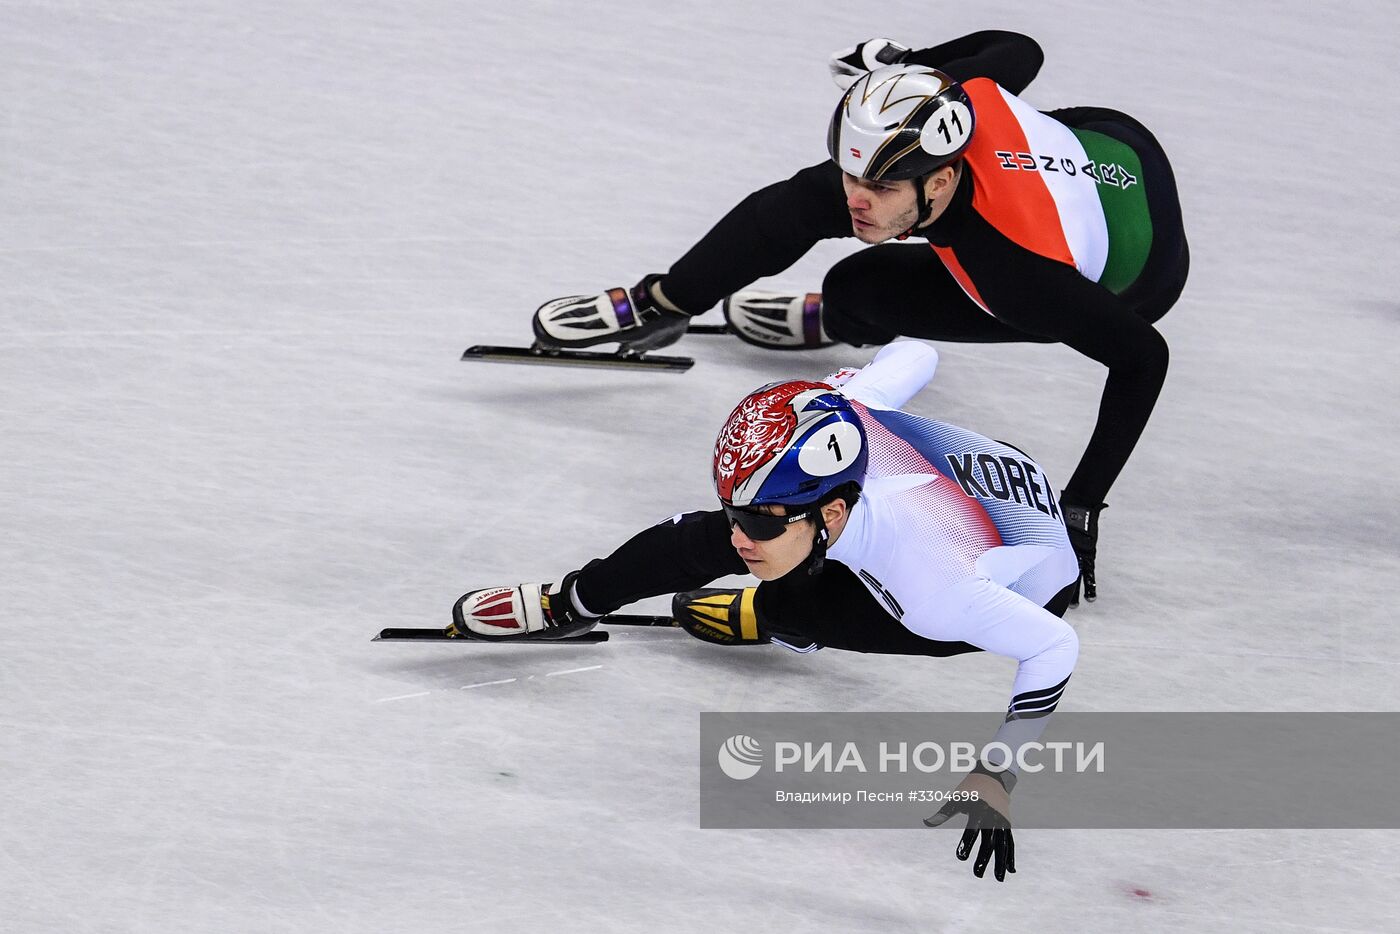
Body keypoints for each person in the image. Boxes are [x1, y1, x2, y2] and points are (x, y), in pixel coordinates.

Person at [529, 31, 1189, 605]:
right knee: (807, 205)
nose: (857, 200)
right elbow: (1021, 50)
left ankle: (844, 313)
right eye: (854, 176)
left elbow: (1144, 357)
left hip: (1132, 276)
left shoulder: (1016, 274)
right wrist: (911, 67)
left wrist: (1079, 507)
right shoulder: (950, 104)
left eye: (878, 189)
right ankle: (664, 303)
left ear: (937, 181)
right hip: (1108, 139)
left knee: (861, 287)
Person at [449, 341, 1080, 882]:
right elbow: (919, 350)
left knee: (796, 600)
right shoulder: (844, 412)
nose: (739, 534)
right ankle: (571, 601)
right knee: (696, 541)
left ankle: (771, 615)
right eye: (735, 510)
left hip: (1020, 581)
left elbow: (1054, 647)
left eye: (756, 520)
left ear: (831, 513)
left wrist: (998, 771)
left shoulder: (934, 592)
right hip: (979, 486)